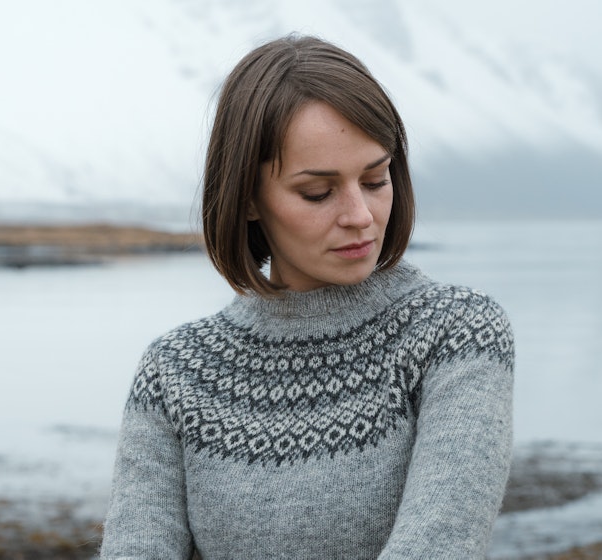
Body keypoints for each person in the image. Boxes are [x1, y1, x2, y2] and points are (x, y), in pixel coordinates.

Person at [100, 34, 514, 559]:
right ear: (248, 198)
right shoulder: (175, 372)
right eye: (317, 192)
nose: (360, 216)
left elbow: (440, 543)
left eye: (376, 179)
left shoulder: (457, 334)